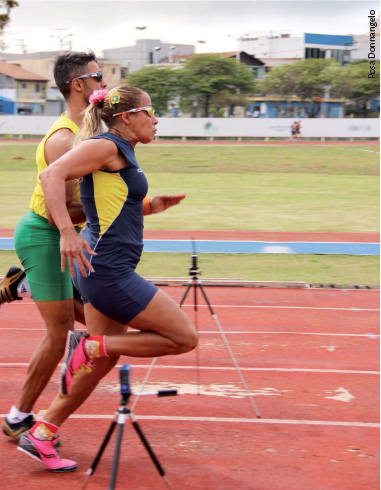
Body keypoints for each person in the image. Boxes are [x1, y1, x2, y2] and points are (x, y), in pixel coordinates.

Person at [17, 86, 198, 472]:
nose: (156, 119)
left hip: (105, 268)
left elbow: (107, 203)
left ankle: (43, 431)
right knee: (183, 337)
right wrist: (66, 231)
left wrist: (148, 206)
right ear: (126, 116)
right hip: (109, 272)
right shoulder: (106, 146)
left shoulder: (120, 150)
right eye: (150, 111)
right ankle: (91, 346)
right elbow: (52, 173)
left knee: (100, 360)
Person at [2, 50, 108, 442]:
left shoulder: (91, 129)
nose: (104, 84)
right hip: (47, 234)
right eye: (98, 78)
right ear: (78, 85)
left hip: (69, 234)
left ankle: (23, 285)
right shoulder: (63, 139)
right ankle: (17, 418)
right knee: (60, 331)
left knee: (102, 323)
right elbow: (59, 209)